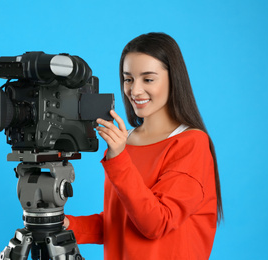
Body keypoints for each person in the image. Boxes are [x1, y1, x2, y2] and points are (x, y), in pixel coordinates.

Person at [64, 32, 223, 259]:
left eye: (148, 79)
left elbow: (156, 223)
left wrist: (118, 158)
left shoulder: (191, 143)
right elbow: (121, 222)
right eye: (128, 79)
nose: (135, 90)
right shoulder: (122, 142)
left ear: (173, 79)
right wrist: (68, 225)